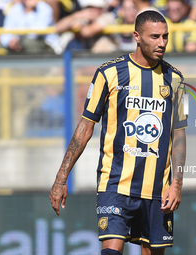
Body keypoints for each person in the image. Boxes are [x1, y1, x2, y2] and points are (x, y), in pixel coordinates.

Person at [50, 10, 187, 255]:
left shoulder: (174, 79)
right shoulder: (109, 73)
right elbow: (85, 127)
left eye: (165, 36)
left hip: (157, 189)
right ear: (136, 36)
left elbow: (179, 136)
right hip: (115, 184)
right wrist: (62, 177)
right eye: (155, 36)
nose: (162, 43)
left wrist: (176, 184)